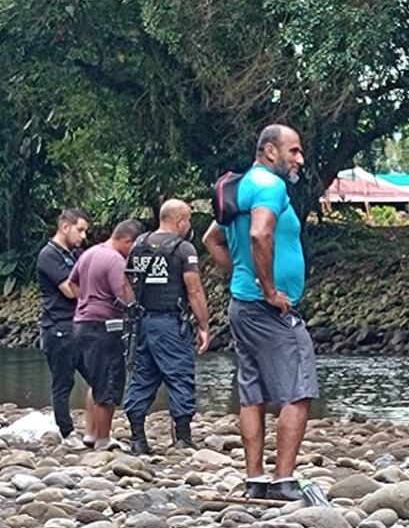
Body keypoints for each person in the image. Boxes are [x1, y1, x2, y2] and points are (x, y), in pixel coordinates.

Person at [203, 124, 316, 501]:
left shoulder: (242, 187)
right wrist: (268, 290)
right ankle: (283, 481)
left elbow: (211, 238)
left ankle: (255, 478)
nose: (299, 159)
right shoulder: (270, 187)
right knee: (297, 392)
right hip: (267, 309)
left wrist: (240, 274)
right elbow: (259, 234)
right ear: (270, 151)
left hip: (241, 306)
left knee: (252, 394)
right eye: (294, 151)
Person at [122, 199, 210, 454]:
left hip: (142, 321)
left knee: (142, 376)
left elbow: (126, 282)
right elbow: (193, 290)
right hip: (171, 323)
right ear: (180, 221)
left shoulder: (138, 244)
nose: (189, 225)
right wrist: (203, 325)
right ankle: (182, 436)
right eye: (189, 220)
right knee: (179, 374)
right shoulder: (183, 250)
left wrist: (133, 309)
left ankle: (137, 437)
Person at [69, 219, 142, 448]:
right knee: (109, 382)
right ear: (127, 240)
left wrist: (88, 299)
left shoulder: (89, 253)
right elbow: (122, 291)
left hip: (82, 323)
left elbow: (72, 283)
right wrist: (134, 307)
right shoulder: (114, 259)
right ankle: (103, 438)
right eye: (133, 247)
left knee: (96, 380)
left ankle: (91, 433)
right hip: (104, 326)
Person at [36, 208, 90, 438]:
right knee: (63, 382)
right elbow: (69, 289)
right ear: (64, 227)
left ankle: (96, 429)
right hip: (57, 326)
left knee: (99, 378)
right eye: (80, 230)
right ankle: (66, 431)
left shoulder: (75, 253)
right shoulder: (49, 255)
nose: (83, 236)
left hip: (78, 325)